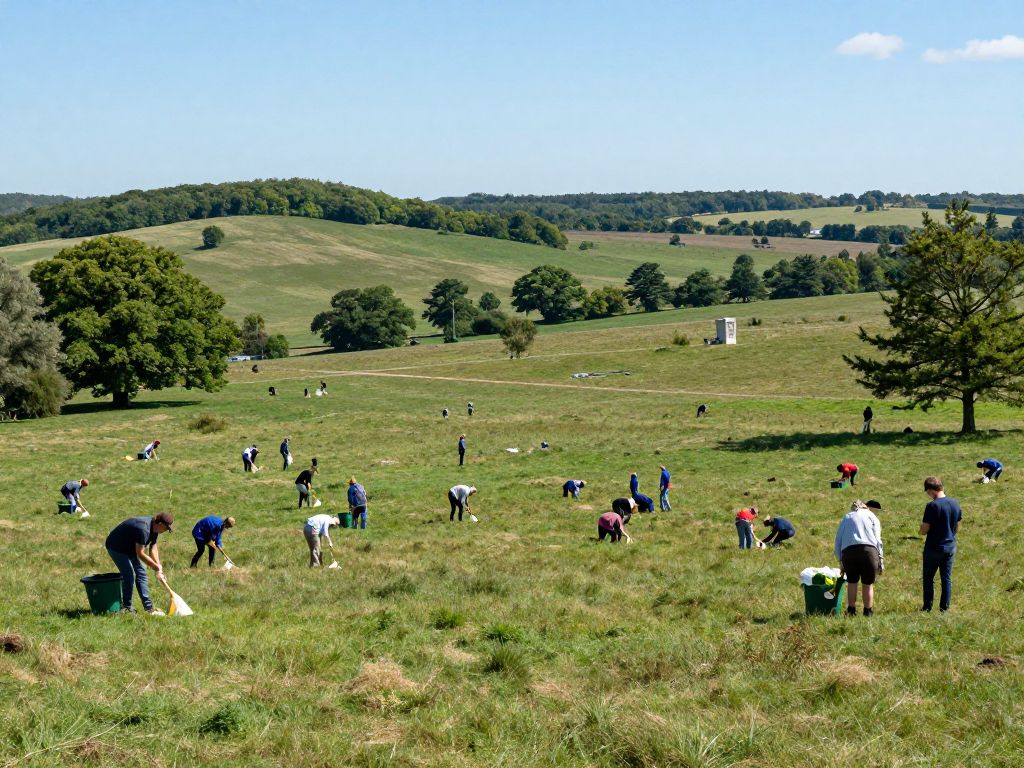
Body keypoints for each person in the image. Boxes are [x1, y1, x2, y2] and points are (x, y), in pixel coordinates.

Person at [105, 512, 173, 615]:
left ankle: (149, 608)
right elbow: (140, 553)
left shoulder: (154, 528)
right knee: (129, 575)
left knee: (142, 573)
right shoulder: (143, 529)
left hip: (131, 547)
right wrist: (155, 567)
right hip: (116, 546)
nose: (166, 531)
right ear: (160, 524)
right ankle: (127, 608)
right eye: (166, 528)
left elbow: (153, 547)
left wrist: (159, 567)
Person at [834, 500, 884, 616]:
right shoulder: (872, 516)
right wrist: (881, 561)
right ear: (866, 507)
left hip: (849, 552)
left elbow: (838, 541)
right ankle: (868, 612)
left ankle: (851, 610)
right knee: (868, 583)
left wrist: (840, 561)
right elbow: (878, 541)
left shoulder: (847, 517)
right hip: (869, 552)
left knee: (852, 582)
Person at [921, 476, 961, 613]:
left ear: (931, 490)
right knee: (946, 578)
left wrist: (920, 531)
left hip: (933, 547)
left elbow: (925, 529)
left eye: (927, 492)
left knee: (928, 578)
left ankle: (927, 608)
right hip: (950, 546)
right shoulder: (955, 503)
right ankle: (944, 609)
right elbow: (957, 525)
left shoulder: (932, 505)